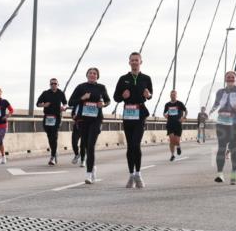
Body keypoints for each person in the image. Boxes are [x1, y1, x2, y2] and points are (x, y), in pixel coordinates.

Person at [112, 52, 153, 189]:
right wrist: (122, 96)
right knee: (130, 146)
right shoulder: (123, 79)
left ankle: (138, 174)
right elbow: (116, 97)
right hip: (128, 114)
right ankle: (131, 175)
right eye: (132, 60)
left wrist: (149, 95)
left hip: (140, 114)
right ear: (129, 62)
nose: (134, 62)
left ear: (141, 62)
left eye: (137, 60)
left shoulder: (146, 78)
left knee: (136, 144)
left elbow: (150, 94)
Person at [210, 70, 236, 185]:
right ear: (225, 79)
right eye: (228, 77)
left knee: (233, 148)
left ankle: (233, 173)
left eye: (232, 77)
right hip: (222, 123)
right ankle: (220, 174)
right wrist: (211, 112)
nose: (230, 79)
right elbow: (216, 104)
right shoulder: (220, 92)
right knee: (221, 148)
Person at [70, 68, 110, 184]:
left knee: (91, 145)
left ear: (97, 76)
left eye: (95, 73)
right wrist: (82, 98)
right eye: (90, 73)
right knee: (86, 146)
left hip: (96, 120)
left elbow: (108, 101)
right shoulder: (81, 87)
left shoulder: (101, 87)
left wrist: (103, 104)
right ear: (87, 75)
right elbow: (71, 102)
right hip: (83, 120)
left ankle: (88, 174)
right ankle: (92, 167)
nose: (92, 75)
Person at [36, 78, 67, 165]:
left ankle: (52, 157)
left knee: (54, 135)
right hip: (47, 117)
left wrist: (64, 107)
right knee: (50, 137)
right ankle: (54, 150)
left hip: (56, 117)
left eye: (55, 83)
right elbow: (37, 104)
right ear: (50, 85)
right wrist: (44, 105)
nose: (53, 85)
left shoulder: (61, 93)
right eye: (52, 84)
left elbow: (65, 103)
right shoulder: (45, 93)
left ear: (58, 85)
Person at [163, 90, 187, 162]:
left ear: (176, 96)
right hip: (170, 124)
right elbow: (164, 113)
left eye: (174, 95)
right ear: (170, 96)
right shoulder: (167, 104)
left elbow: (186, 111)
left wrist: (184, 117)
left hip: (178, 124)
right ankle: (172, 155)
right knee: (171, 140)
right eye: (171, 95)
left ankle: (178, 146)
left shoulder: (180, 103)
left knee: (176, 140)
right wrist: (165, 115)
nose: (173, 96)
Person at [70, 101, 84, 166]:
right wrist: (73, 116)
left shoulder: (87, 104)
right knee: (74, 142)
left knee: (82, 145)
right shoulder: (76, 104)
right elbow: (73, 113)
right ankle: (77, 154)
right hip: (77, 125)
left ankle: (83, 160)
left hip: (85, 126)